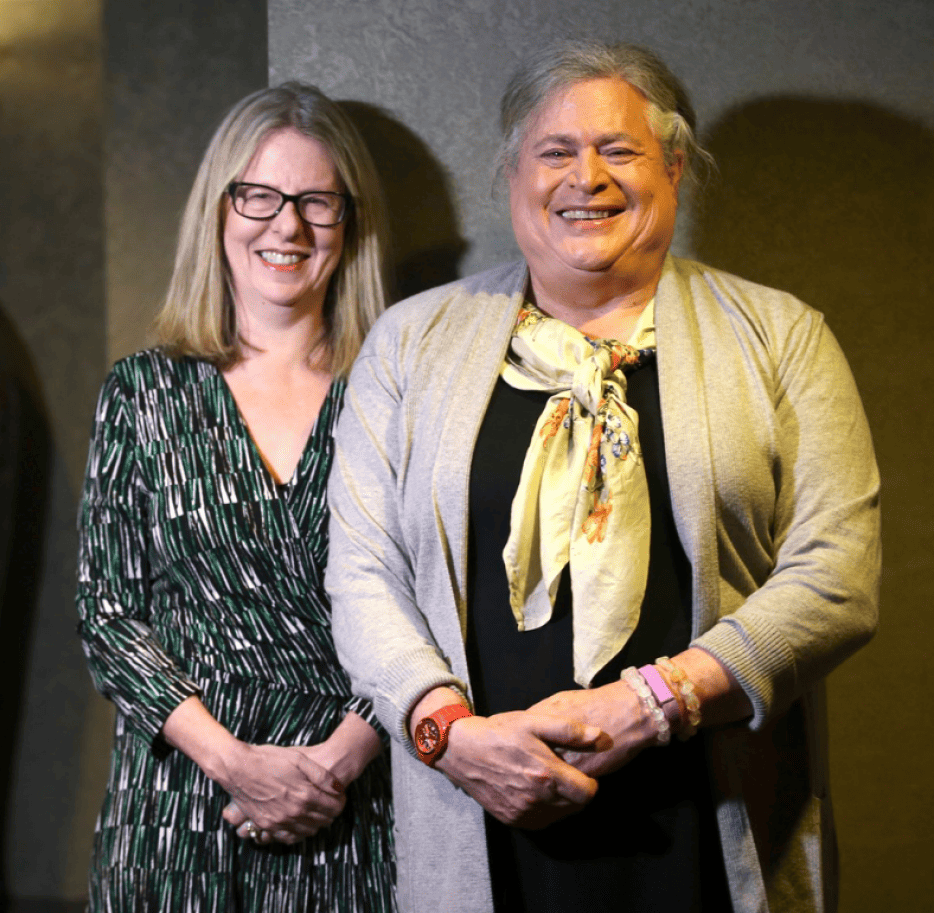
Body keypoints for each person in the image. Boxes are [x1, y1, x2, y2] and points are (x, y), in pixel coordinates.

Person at [327, 40, 879, 913]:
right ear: (514, 176)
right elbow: (361, 571)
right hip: (479, 826)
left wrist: (656, 701)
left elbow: (838, 576)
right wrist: (448, 733)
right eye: (555, 152)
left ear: (675, 168)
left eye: (619, 150)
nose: (587, 177)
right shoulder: (408, 341)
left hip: (708, 822)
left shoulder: (782, 335)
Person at [76, 82, 395, 912]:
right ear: (218, 210)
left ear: (349, 222)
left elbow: (439, 605)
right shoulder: (144, 392)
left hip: (356, 795)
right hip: (181, 799)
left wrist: (334, 766)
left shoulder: (399, 393)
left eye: (316, 201)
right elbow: (106, 615)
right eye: (258, 195)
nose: (286, 226)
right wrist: (234, 761)